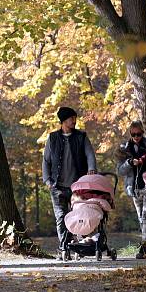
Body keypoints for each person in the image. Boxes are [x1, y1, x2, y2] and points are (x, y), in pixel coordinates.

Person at [42, 106, 97, 257]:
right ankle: (64, 246)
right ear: (63, 121)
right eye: (71, 118)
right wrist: (47, 180)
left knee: (79, 216)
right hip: (57, 186)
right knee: (61, 217)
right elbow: (46, 161)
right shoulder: (53, 138)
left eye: (75, 118)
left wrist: (91, 169)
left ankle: (77, 246)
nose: (74, 121)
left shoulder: (81, 136)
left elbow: (90, 155)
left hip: (77, 187)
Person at [114, 122, 146, 259]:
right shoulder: (124, 149)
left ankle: (145, 247)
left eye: (139, 134)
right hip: (134, 188)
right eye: (133, 134)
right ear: (130, 134)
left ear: (143, 132)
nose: (136, 137)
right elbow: (120, 171)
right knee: (141, 217)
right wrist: (130, 163)